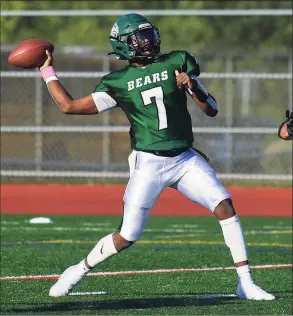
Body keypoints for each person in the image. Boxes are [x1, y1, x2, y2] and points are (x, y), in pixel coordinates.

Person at [39, 13, 275, 300]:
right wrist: (47, 71)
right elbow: (69, 106)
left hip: (185, 159)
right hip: (148, 163)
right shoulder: (118, 81)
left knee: (224, 205)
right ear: (124, 44)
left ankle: (245, 282)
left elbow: (211, 109)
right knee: (127, 236)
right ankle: (78, 270)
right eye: (141, 38)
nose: (149, 43)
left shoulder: (176, 61)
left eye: (150, 36)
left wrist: (193, 85)